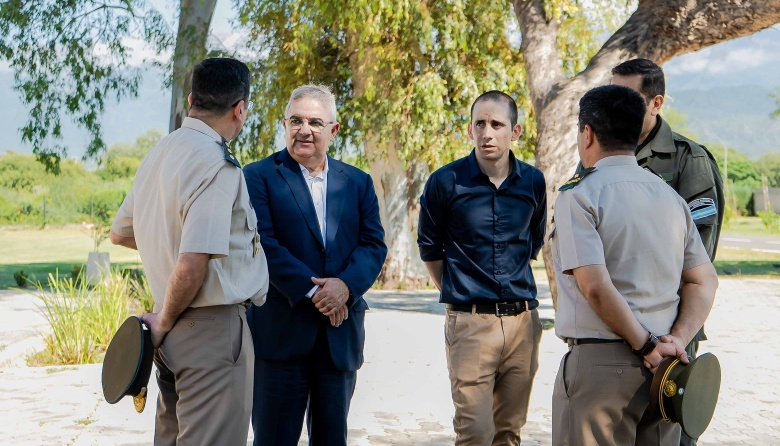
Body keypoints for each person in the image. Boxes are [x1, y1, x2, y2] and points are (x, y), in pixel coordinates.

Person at [110, 57, 269, 445]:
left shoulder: (160, 153)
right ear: (240, 109)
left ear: (192, 97)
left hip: (172, 328)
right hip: (208, 330)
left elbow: (121, 231)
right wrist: (164, 317)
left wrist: (165, 315)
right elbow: (193, 261)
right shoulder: (216, 163)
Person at [550, 84, 719, 446]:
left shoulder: (578, 196)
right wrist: (675, 341)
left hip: (601, 365)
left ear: (587, 133)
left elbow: (594, 286)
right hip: (666, 371)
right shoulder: (670, 197)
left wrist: (645, 346)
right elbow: (704, 281)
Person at [243, 84, 387, 446]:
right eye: (296, 120)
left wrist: (345, 288)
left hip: (338, 339)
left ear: (333, 130)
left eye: (315, 122)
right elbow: (264, 245)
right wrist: (317, 292)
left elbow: (373, 245)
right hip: (280, 337)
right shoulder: (258, 176)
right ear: (285, 124)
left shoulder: (358, 182)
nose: (304, 129)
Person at [417, 90, 547, 445]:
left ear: (515, 132)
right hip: (470, 323)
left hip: (522, 324)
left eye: (496, 124)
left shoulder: (533, 182)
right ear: (470, 129)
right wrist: (461, 294)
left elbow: (532, 243)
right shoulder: (445, 182)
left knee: (508, 433)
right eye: (480, 124)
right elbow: (430, 247)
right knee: (474, 433)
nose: (487, 132)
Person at [610, 59, 725, 446]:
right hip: (616, 329)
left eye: (628, 98)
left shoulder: (688, 161)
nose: (616, 108)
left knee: (668, 436)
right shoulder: (597, 157)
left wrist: (671, 337)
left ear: (656, 103)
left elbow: (697, 259)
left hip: (671, 332)